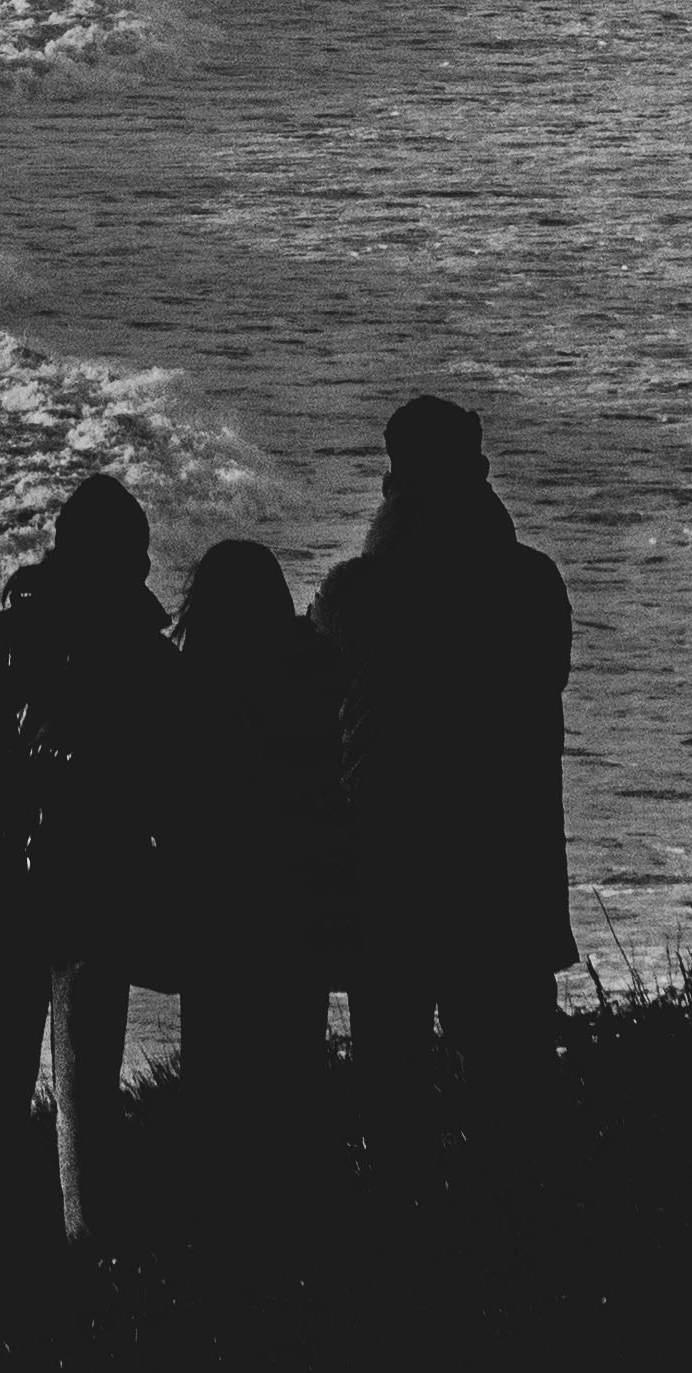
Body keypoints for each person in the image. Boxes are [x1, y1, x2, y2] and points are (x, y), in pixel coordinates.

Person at [309, 394, 573, 1178]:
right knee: (513, 1085)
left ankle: (405, 1246)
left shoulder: (354, 593)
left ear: (394, 478)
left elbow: (314, 697)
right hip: (507, 858)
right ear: (480, 467)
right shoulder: (532, 582)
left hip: (389, 858)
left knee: (393, 1084)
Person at [0, 470, 175, 1251]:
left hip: (0, 897)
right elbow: (167, 781)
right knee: (86, 1084)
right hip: (98, 892)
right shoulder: (144, 659)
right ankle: (90, 1238)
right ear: (127, 560)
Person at [169, 536, 349, 1230]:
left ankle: (221, 1210)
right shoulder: (315, 667)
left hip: (217, 899)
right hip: (298, 889)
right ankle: (300, 1203)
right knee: (294, 1055)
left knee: (216, 1061)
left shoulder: (192, 682)